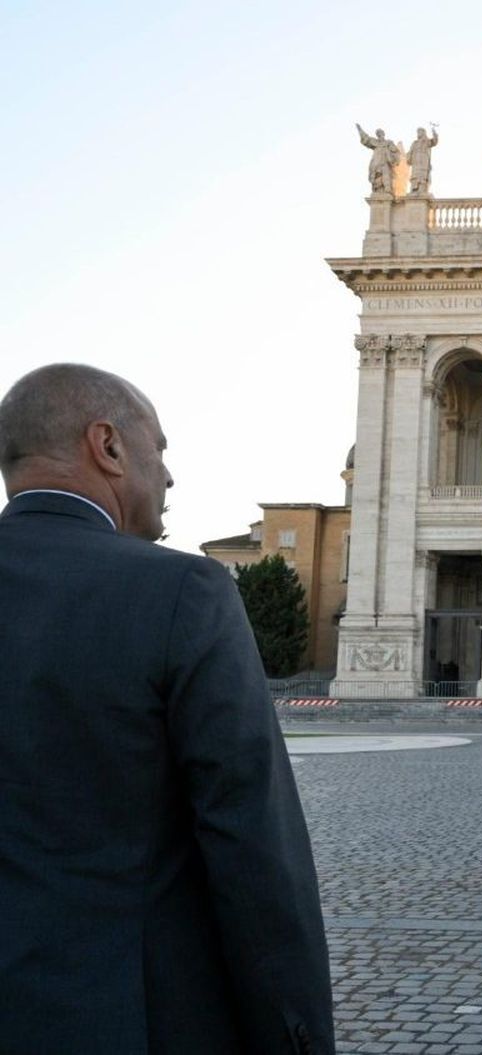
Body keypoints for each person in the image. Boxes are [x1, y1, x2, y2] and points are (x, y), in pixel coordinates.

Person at [0, 364, 334, 1053]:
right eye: (160, 448)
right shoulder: (184, 591)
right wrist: (295, 1033)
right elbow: (252, 851)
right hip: (123, 1018)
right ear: (109, 446)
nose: (171, 476)